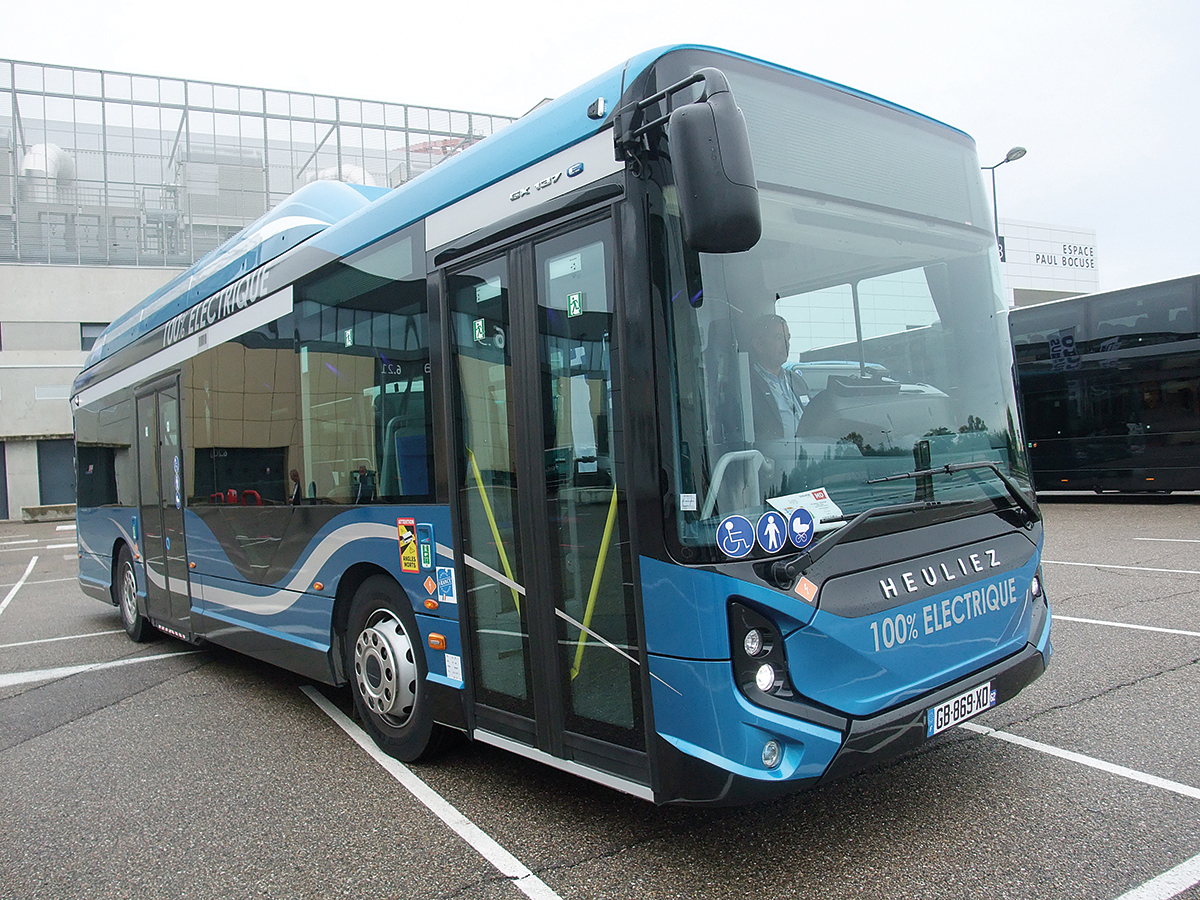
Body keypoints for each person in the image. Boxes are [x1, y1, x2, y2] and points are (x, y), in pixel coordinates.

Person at [746, 314, 806, 439]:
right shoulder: (746, 384)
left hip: (806, 454)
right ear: (758, 345)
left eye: (787, 338)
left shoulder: (796, 380)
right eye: (779, 338)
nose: (786, 344)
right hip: (772, 456)